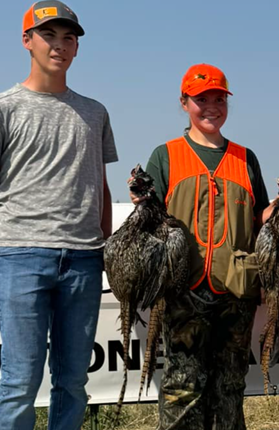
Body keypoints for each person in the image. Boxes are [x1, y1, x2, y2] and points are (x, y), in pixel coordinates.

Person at [131, 64, 271, 430]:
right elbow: (149, 222)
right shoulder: (165, 155)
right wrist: (141, 200)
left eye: (219, 99)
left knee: (230, 386)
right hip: (183, 293)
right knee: (182, 390)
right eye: (201, 99)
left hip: (236, 292)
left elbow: (261, 216)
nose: (212, 106)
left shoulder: (246, 157)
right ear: (184, 103)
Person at [0, 2, 118, 429]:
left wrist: (103, 247)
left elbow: (100, 185)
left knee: (72, 381)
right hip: (19, 255)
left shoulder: (95, 111)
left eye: (69, 37)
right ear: (26, 40)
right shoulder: (6, 108)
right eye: (49, 35)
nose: (60, 45)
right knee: (19, 381)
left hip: (85, 260)